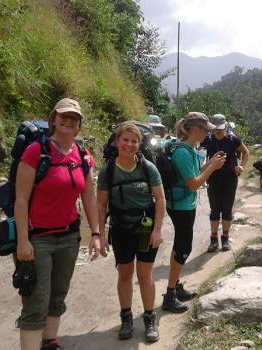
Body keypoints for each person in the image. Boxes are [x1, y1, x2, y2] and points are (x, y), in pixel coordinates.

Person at [14, 98, 101, 350]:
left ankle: (49, 343)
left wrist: (95, 233)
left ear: (79, 125)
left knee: (58, 294)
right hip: (37, 238)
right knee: (35, 300)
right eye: (63, 116)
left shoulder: (83, 156)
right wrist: (22, 240)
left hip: (68, 237)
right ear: (53, 119)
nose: (68, 121)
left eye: (73, 118)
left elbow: (89, 198)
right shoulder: (36, 151)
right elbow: (21, 199)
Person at [96, 123, 165, 342]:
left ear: (139, 144)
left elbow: (161, 199)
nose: (129, 145)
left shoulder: (148, 168)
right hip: (121, 229)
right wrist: (100, 234)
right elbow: (101, 204)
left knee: (145, 275)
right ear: (117, 142)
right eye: (125, 140)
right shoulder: (108, 171)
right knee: (124, 274)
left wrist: (157, 230)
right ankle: (126, 318)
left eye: (134, 141)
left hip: (145, 230)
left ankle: (149, 318)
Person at [162, 112, 226, 313]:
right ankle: (170, 294)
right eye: (205, 129)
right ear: (195, 129)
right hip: (180, 206)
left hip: (184, 205)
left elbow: (197, 172)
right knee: (183, 248)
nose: (208, 133)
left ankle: (176, 286)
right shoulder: (182, 152)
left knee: (181, 245)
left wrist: (210, 163)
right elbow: (194, 184)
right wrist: (213, 168)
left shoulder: (188, 149)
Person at [200, 113, 249, 252]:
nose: (218, 132)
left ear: (225, 127)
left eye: (220, 129)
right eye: (215, 129)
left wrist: (241, 166)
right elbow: (200, 156)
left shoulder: (233, 139)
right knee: (215, 210)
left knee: (227, 210)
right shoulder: (207, 140)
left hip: (230, 179)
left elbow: (245, 152)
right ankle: (213, 240)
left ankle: (225, 239)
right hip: (213, 179)